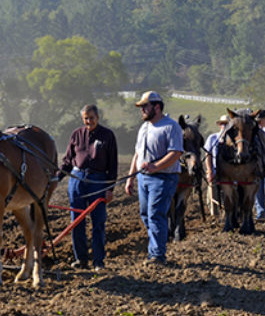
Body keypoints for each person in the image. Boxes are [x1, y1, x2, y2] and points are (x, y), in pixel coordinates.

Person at [125, 91, 183, 265]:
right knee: (145, 214)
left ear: (157, 107)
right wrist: (130, 178)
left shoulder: (171, 126)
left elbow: (175, 153)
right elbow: (137, 154)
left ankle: (157, 255)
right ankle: (156, 248)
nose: (142, 110)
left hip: (163, 177)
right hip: (143, 177)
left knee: (155, 214)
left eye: (145, 106)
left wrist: (155, 166)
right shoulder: (144, 127)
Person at [60, 104, 118, 271]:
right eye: (86, 118)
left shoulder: (108, 135)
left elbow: (112, 165)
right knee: (76, 221)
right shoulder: (76, 134)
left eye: (91, 118)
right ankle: (81, 260)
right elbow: (68, 160)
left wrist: (110, 188)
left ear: (97, 117)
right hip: (77, 180)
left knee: (98, 222)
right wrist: (57, 177)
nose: (88, 121)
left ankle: (98, 262)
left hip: (98, 181)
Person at [204, 114, 229, 216]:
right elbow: (208, 155)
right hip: (214, 171)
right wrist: (209, 171)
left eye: (227, 124)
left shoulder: (234, 140)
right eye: (223, 124)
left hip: (228, 174)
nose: (224, 126)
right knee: (212, 196)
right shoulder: (212, 138)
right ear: (220, 125)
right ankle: (214, 217)